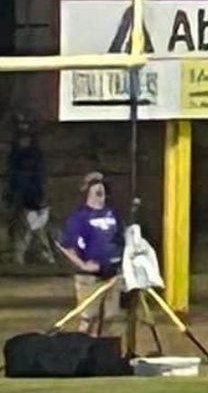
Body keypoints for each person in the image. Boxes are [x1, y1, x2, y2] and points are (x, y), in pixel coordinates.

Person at [60, 171, 124, 335]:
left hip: (112, 275)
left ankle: (101, 350)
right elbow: (66, 245)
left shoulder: (113, 213)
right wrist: (82, 264)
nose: (99, 187)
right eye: (94, 184)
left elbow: (120, 239)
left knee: (109, 317)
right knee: (88, 318)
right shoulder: (79, 217)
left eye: (101, 184)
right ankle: (83, 352)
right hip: (89, 278)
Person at [4, 117, 53, 264]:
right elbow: (13, 178)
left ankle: (45, 257)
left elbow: (39, 179)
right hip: (21, 201)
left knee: (37, 232)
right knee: (22, 234)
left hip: (34, 201)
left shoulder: (35, 156)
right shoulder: (16, 157)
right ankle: (19, 260)